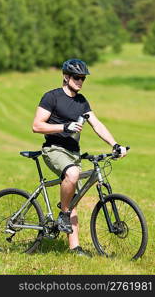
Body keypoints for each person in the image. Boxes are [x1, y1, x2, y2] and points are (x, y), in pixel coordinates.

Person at [32, 58, 127, 257]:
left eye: (83, 78)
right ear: (66, 77)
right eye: (77, 77)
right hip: (54, 149)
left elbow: (97, 124)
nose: (80, 81)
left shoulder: (82, 101)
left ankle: (75, 248)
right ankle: (64, 214)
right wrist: (63, 127)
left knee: (73, 196)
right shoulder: (51, 97)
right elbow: (37, 126)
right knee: (73, 174)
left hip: (73, 153)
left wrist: (115, 144)